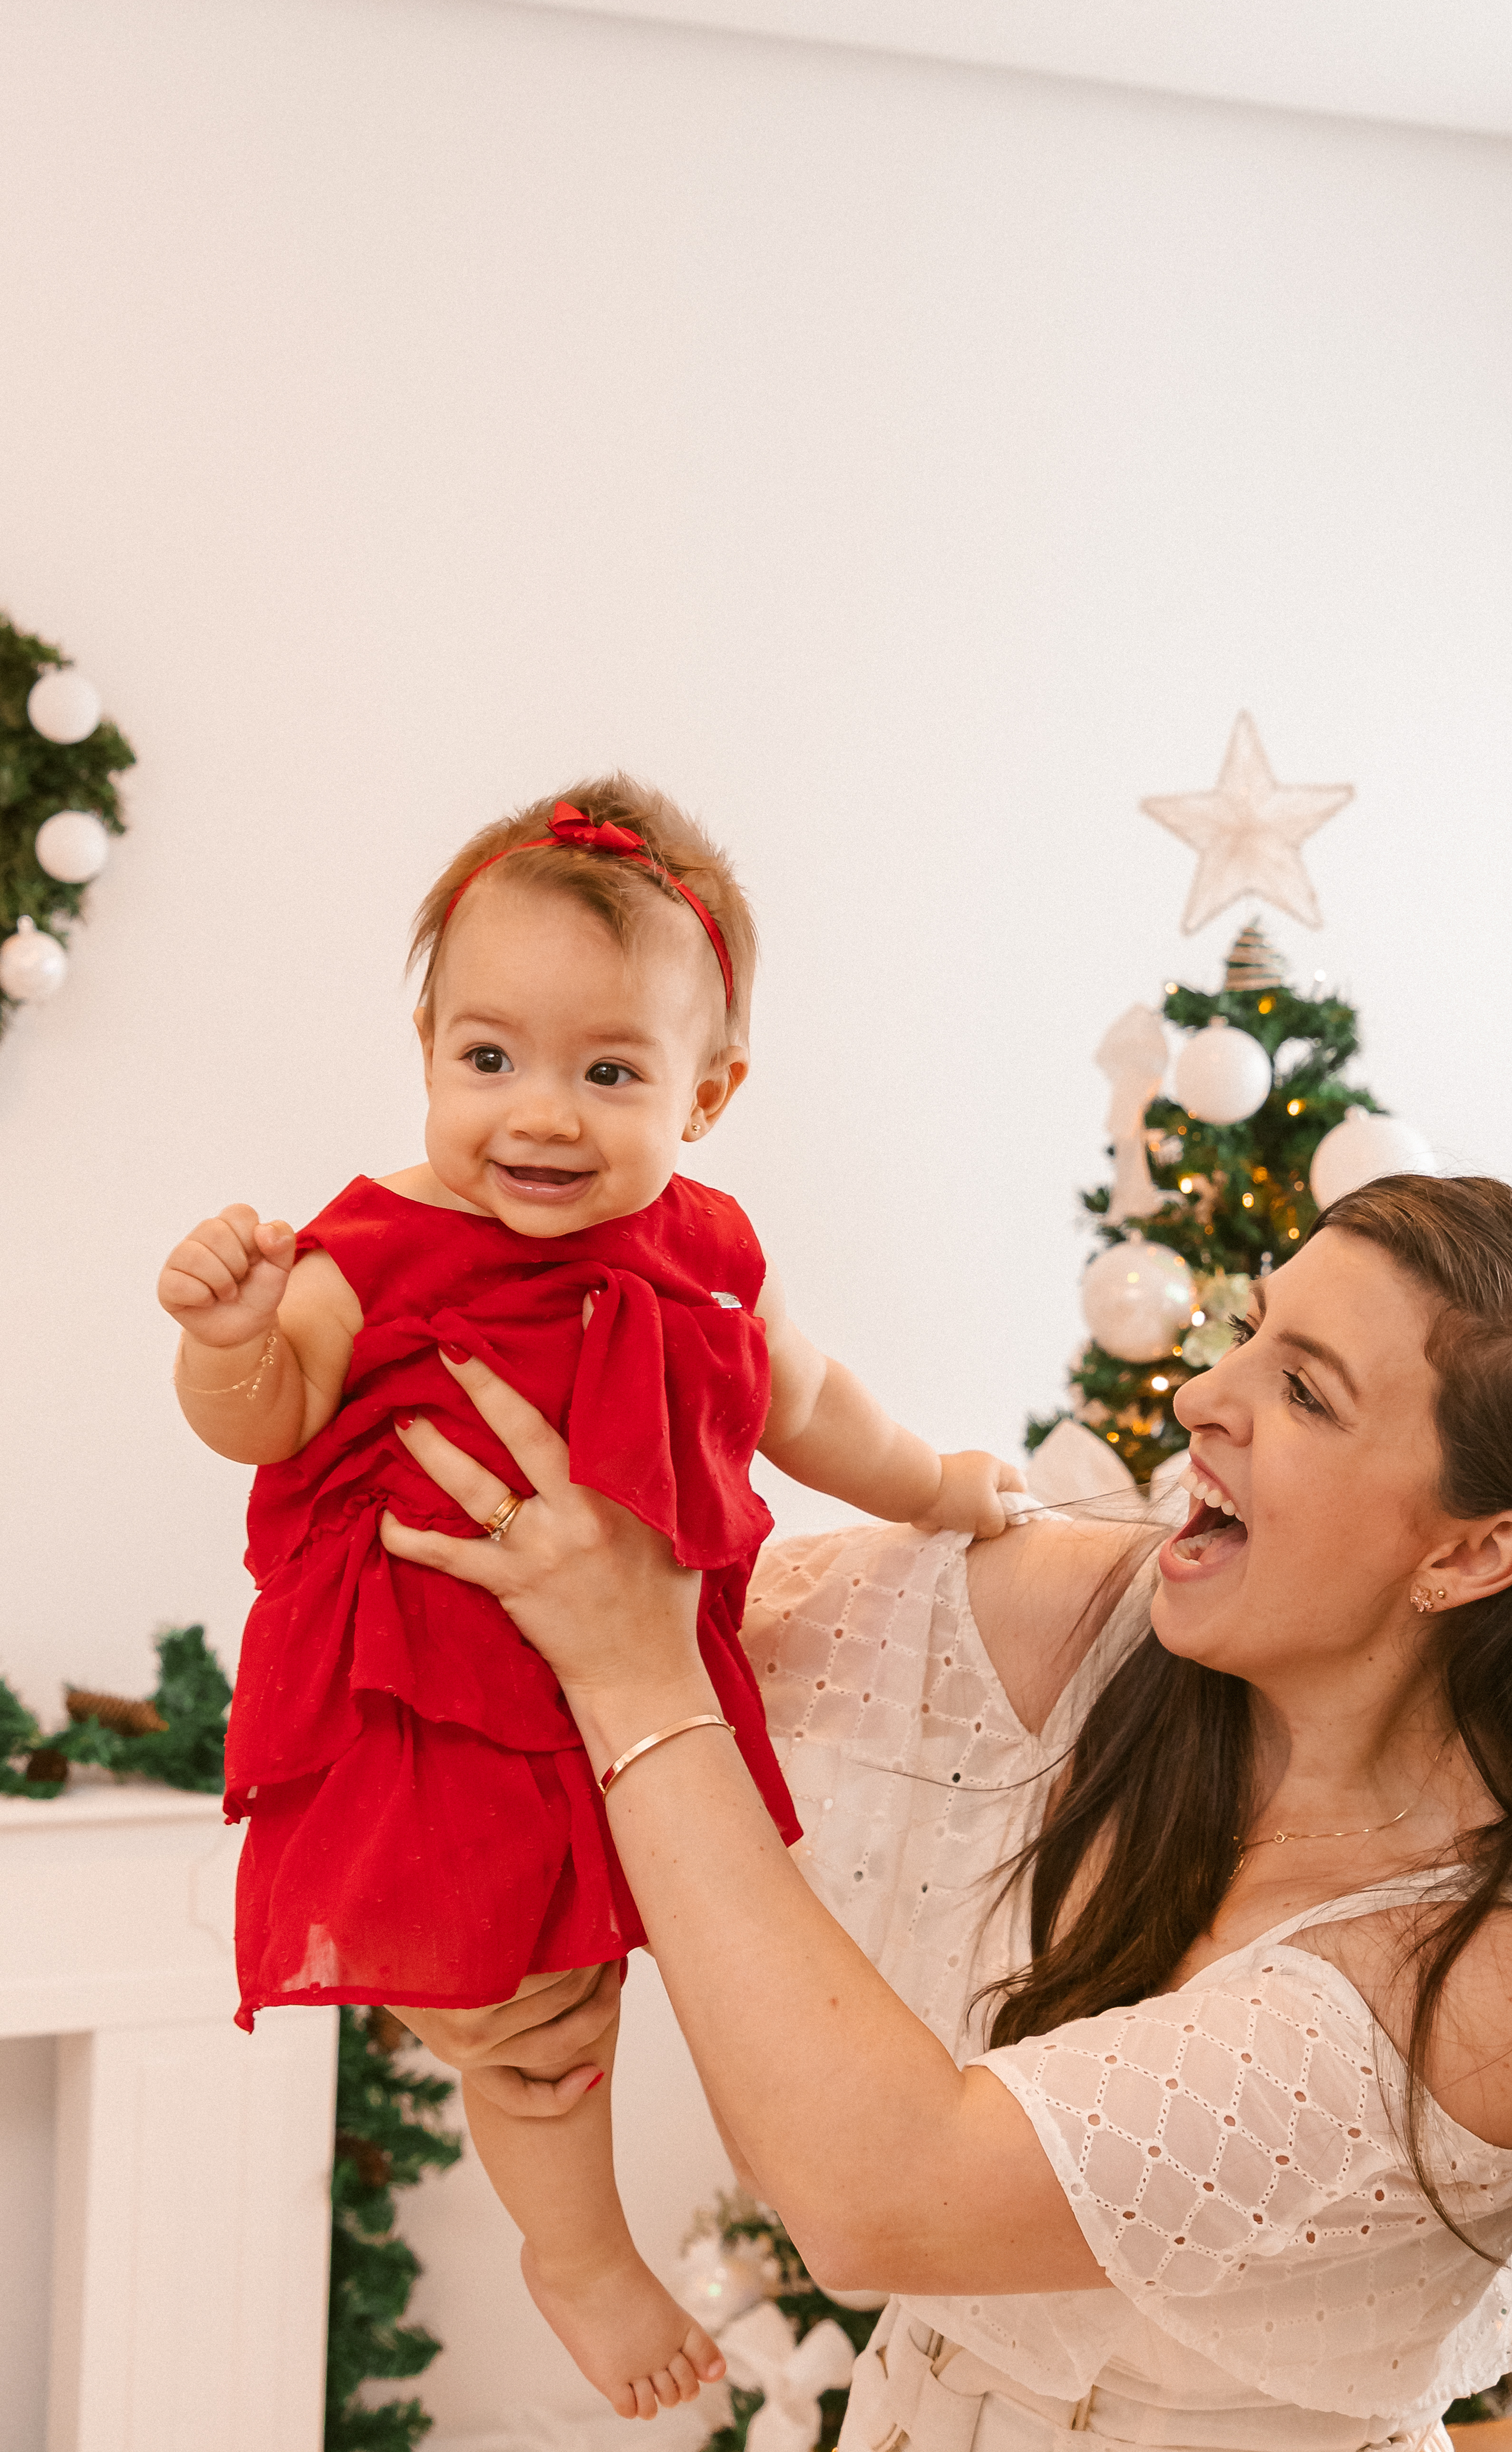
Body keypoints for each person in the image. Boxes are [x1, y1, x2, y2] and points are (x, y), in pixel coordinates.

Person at [381, 1174, 1512, 2452]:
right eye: (1250, 1330)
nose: (1200, 1397)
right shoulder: (1102, 1626)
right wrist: (459, 1981)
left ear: (1472, 1552)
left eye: (1305, 1393)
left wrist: (631, 1674)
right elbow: (536, 1673)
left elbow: (880, 2197)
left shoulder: (1505, 1991)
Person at [154, 775, 1023, 2411]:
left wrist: (936, 1486)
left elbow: (807, 1402)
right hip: (433, 1705)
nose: (539, 1114)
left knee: (666, 1974)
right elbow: (267, 1418)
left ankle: (711, 2211)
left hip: (627, 1708)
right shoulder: (377, 1243)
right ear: (427, 1050)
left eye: (608, 1071)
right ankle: (579, 2253)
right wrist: (228, 1341)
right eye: (490, 1059)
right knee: (532, 2029)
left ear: (709, 1094)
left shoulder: (701, 1251)